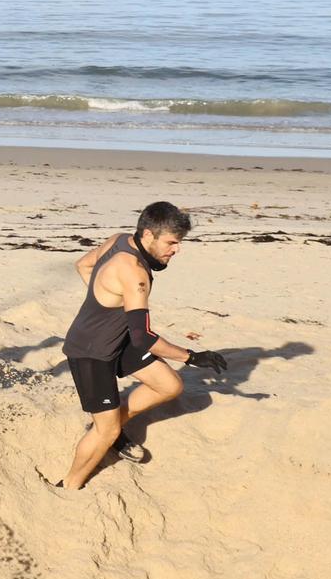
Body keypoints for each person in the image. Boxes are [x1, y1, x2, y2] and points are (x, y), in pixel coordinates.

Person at [59, 202, 228, 490]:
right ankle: (68, 487)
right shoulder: (135, 274)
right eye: (172, 242)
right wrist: (192, 357)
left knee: (169, 386)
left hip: (117, 338)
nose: (176, 250)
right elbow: (145, 338)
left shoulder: (120, 239)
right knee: (106, 431)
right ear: (148, 235)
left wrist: (105, 304)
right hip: (90, 352)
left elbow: (84, 265)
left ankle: (111, 428)